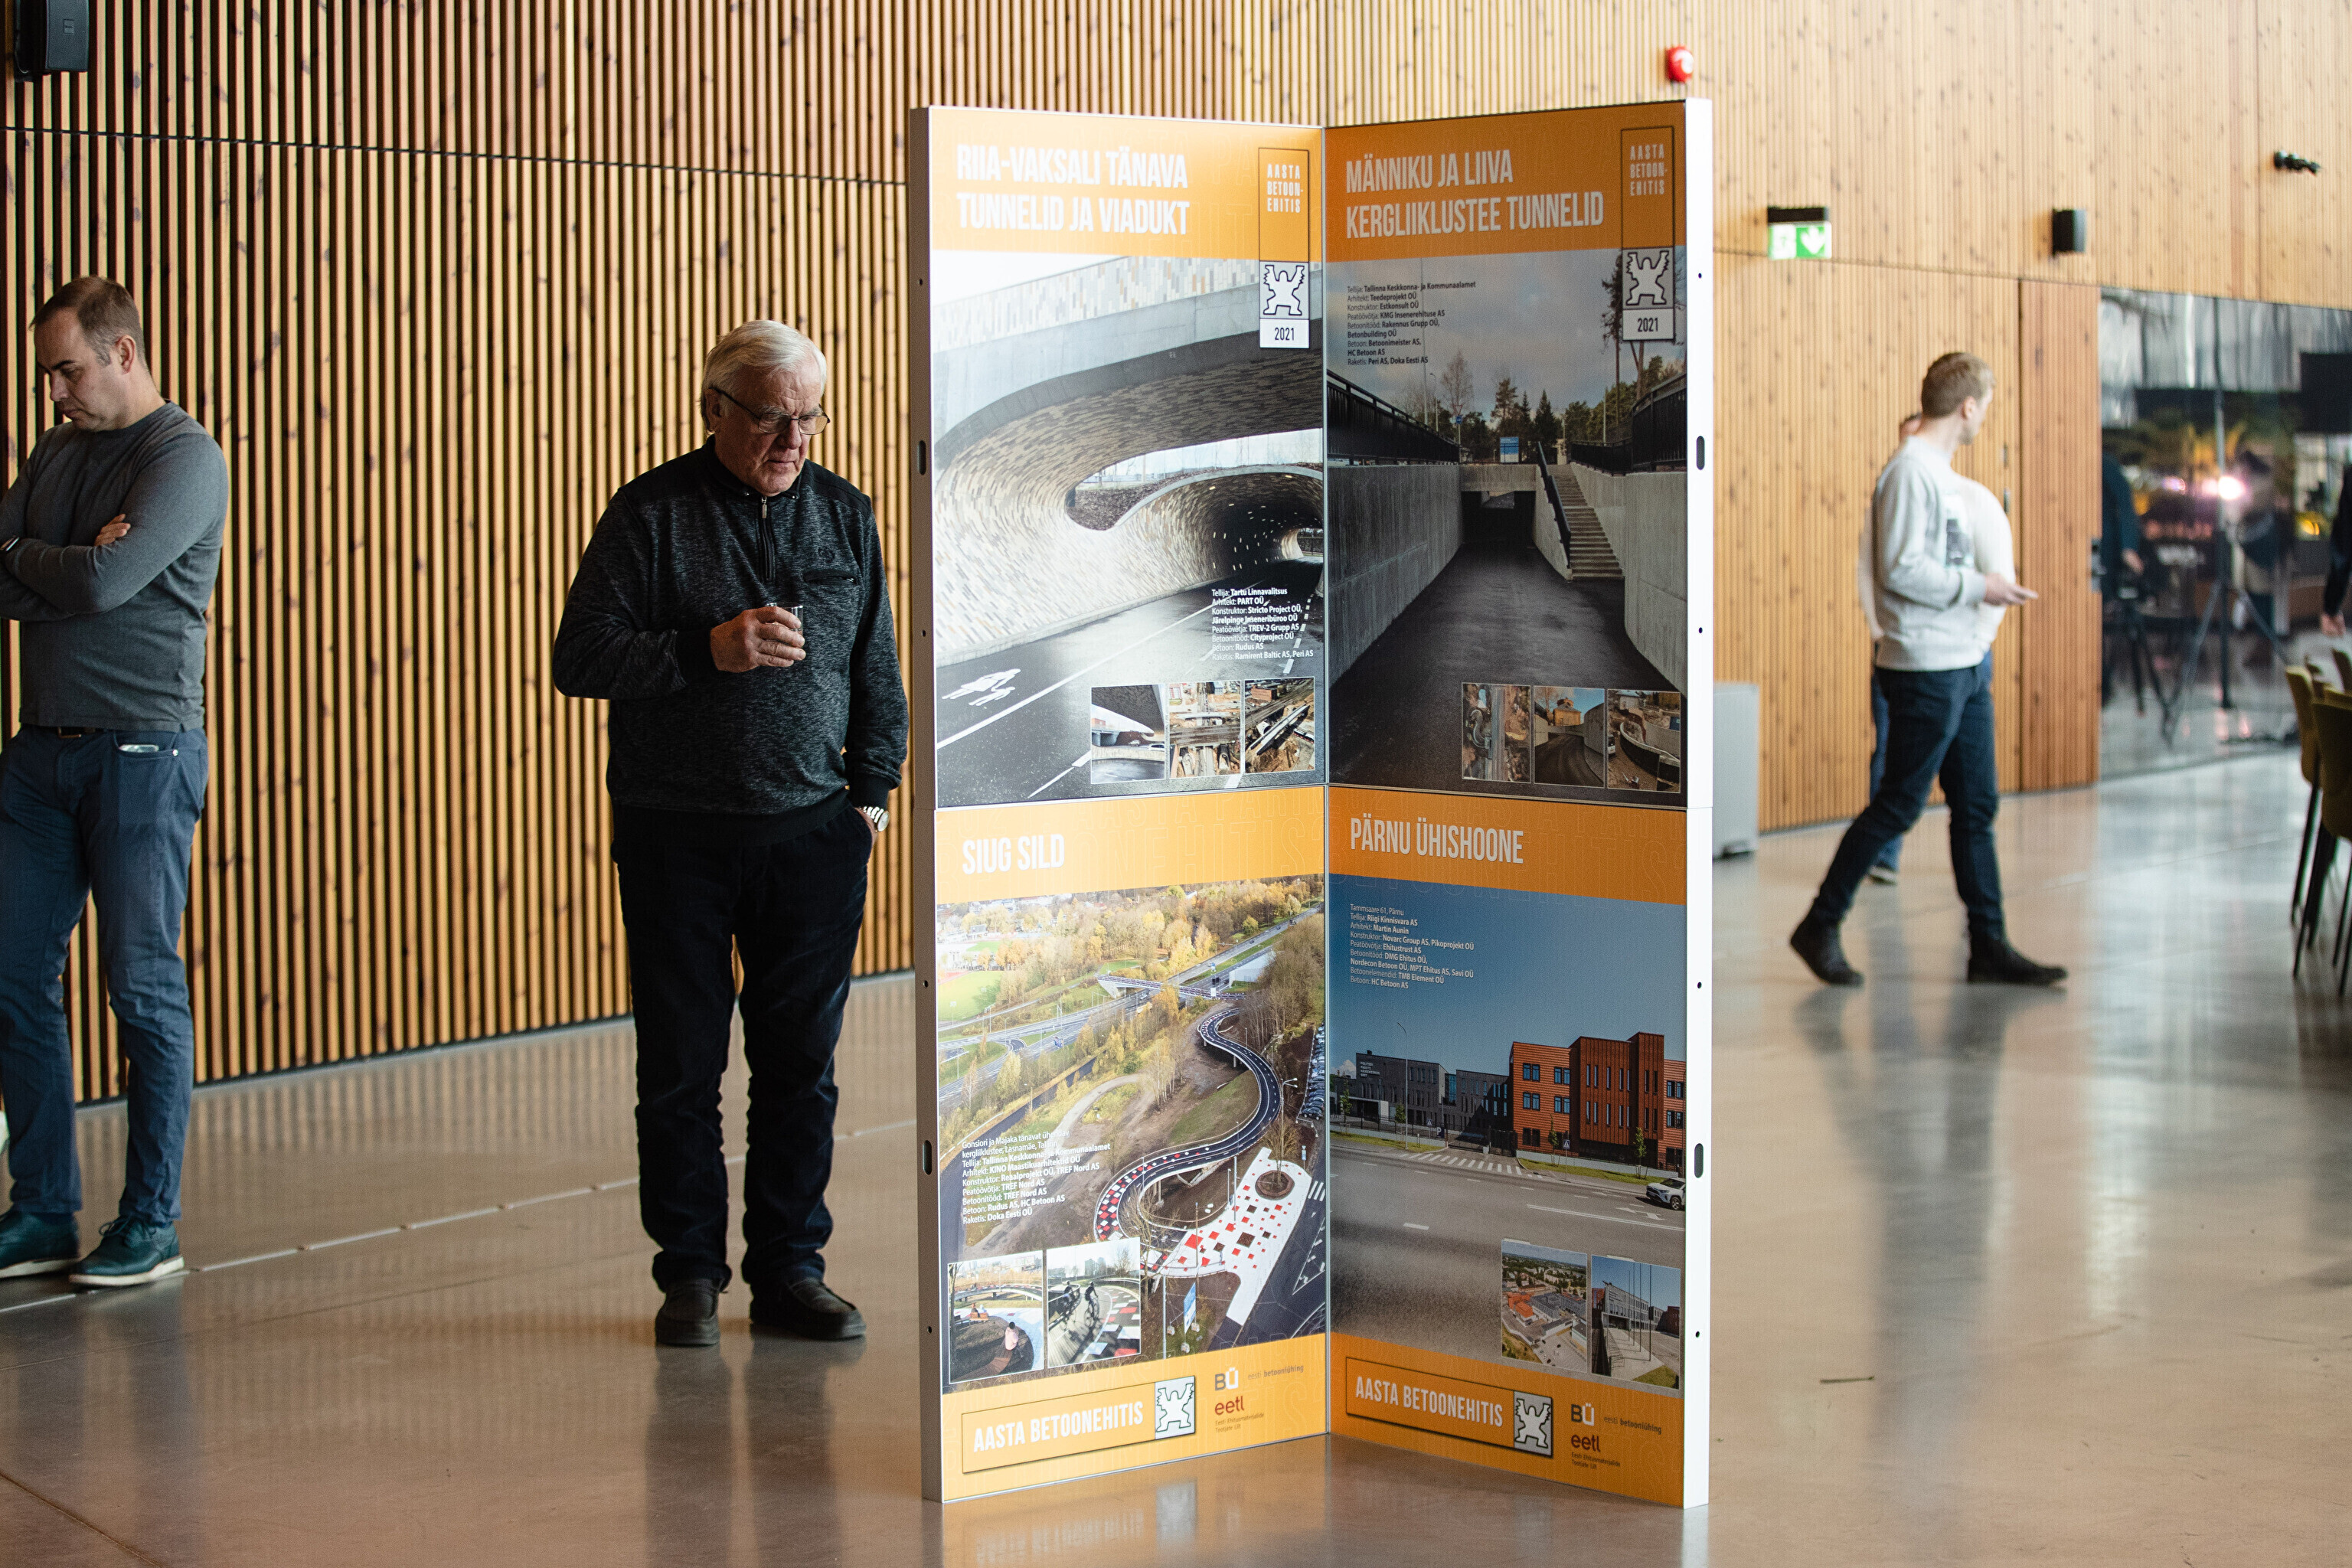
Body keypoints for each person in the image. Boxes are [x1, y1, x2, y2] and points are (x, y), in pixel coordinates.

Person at [553, 319, 907, 1348]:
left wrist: (871, 801)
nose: (792, 439)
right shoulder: (650, 514)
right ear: (714, 409)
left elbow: (876, 671)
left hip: (814, 839)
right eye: (769, 418)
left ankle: (791, 1269)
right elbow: (580, 657)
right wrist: (705, 650)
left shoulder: (845, 515)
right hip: (677, 841)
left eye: (809, 419)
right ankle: (690, 1275)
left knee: (800, 1070)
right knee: (681, 1068)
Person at [0, 279, 227, 1286]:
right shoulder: (57, 452)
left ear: (122, 354)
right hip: (39, 753)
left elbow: (106, 583)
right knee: (12, 974)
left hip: (143, 751)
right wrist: (51, 559)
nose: (54, 391)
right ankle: (43, 1209)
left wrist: (32, 558)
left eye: (67, 370)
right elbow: (45, 574)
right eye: (48, 374)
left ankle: (150, 1223)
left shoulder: (184, 456)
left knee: (138, 986)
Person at [1790, 351, 2065, 988]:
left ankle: (1988, 945)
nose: (1984, 418)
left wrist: (1983, 592)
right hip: (1926, 670)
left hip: (1964, 664)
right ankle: (1819, 925)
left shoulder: (1939, 475)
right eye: (1985, 407)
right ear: (1967, 407)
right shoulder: (1910, 473)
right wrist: (1981, 587)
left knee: (1977, 806)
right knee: (1897, 805)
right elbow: (1901, 570)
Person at [1858, 413, 1926, 887]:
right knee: (1887, 748)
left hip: (1938, 654)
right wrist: (1879, 630)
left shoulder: (1945, 494)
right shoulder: (1888, 498)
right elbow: (1868, 572)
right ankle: (1883, 854)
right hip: (1892, 648)